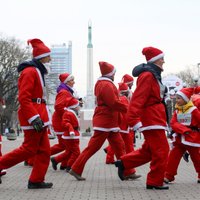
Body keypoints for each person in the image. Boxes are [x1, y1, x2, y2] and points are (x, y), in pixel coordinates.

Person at [69, 61, 138, 181]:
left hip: (108, 121)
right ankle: (75, 168)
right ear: (110, 73)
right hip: (105, 121)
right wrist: (127, 107)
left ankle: (128, 171)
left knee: (120, 147)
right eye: (114, 73)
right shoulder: (106, 85)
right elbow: (112, 102)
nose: (114, 75)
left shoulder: (103, 83)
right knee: (93, 148)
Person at [0, 38, 53, 189]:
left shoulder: (37, 71)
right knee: (29, 149)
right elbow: (24, 97)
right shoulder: (30, 71)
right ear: (42, 57)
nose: (50, 59)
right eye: (48, 56)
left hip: (39, 115)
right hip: (34, 116)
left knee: (44, 151)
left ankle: (36, 180)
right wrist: (34, 117)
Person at [115, 47, 170, 190]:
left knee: (149, 151)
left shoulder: (153, 74)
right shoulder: (148, 75)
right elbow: (138, 99)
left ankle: (124, 163)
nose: (164, 61)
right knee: (162, 151)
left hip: (155, 118)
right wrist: (133, 120)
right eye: (161, 58)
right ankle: (154, 181)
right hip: (152, 119)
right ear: (155, 60)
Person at [164, 87, 200, 184]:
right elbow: (173, 123)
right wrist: (183, 130)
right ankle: (168, 176)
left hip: (192, 139)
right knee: (173, 158)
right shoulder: (177, 111)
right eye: (176, 98)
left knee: (197, 158)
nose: (177, 100)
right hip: (180, 139)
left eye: (179, 98)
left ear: (186, 99)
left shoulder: (193, 110)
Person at [50, 72, 80, 170]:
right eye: (72, 80)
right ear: (66, 82)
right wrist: (69, 112)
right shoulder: (64, 92)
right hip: (61, 121)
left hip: (63, 120)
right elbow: (58, 106)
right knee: (64, 145)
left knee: (67, 146)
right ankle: (41, 155)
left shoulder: (67, 91)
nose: (74, 82)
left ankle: (64, 164)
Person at [51, 98, 81, 172]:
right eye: (77, 105)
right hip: (71, 136)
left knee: (69, 151)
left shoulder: (70, 113)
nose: (79, 107)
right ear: (73, 106)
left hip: (72, 135)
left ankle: (56, 160)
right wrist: (71, 130)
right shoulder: (68, 113)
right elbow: (65, 123)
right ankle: (69, 166)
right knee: (76, 152)